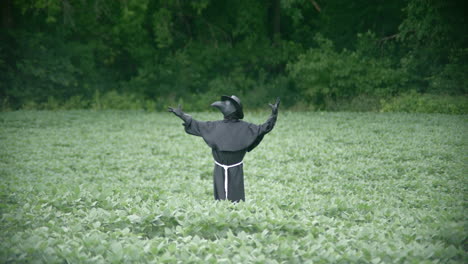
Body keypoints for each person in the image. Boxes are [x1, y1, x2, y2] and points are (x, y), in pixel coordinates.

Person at [168, 95, 280, 202]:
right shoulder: (224, 126)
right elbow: (195, 124)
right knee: (220, 200)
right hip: (220, 168)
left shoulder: (241, 127)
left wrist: (273, 115)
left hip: (235, 169)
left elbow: (264, 128)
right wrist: (182, 115)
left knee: (236, 200)